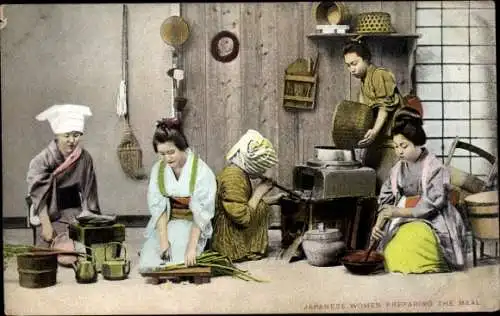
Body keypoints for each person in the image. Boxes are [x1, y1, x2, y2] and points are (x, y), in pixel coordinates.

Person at [370, 108, 467, 274]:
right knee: (394, 248)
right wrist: (378, 224)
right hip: (400, 217)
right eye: (395, 146)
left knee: (417, 242)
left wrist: (397, 211)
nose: (399, 151)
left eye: (404, 146)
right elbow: (386, 202)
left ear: (417, 142)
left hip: (433, 217)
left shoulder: (434, 167)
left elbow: (432, 204)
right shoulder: (396, 170)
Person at [139, 117, 217, 272]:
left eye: (171, 152)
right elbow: (159, 208)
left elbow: (201, 214)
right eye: (161, 154)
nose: (167, 158)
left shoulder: (201, 171)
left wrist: (191, 247)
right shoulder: (158, 170)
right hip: (168, 222)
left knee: (181, 258)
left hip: (192, 224)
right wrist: (163, 241)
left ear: (182, 147)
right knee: (152, 257)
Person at [27, 104, 101, 249]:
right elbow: (38, 197)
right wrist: (46, 225)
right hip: (47, 213)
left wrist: (92, 222)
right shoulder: (41, 160)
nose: (72, 141)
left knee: (83, 250)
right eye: (66, 135)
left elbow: (90, 194)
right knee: (52, 252)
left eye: (76, 135)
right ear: (57, 135)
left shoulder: (85, 158)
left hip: (74, 212)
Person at [211, 129, 285, 261]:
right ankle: (246, 249)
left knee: (261, 206)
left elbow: (245, 202)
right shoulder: (233, 177)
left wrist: (274, 199)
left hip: (231, 224)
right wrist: (259, 192)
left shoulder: (238, 172)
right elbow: (242, 217)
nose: (263, 171)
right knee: (261, 209)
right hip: (227, 237)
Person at [343, 38, 405, 192]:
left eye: (354, 63)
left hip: (397, 136)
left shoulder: (379, 74)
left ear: (366, 59)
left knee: (393, 183)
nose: (351, 69)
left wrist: (375, 131)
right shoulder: (364, 82)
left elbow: (385, 107)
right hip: (382, 137)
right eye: (348, 65)